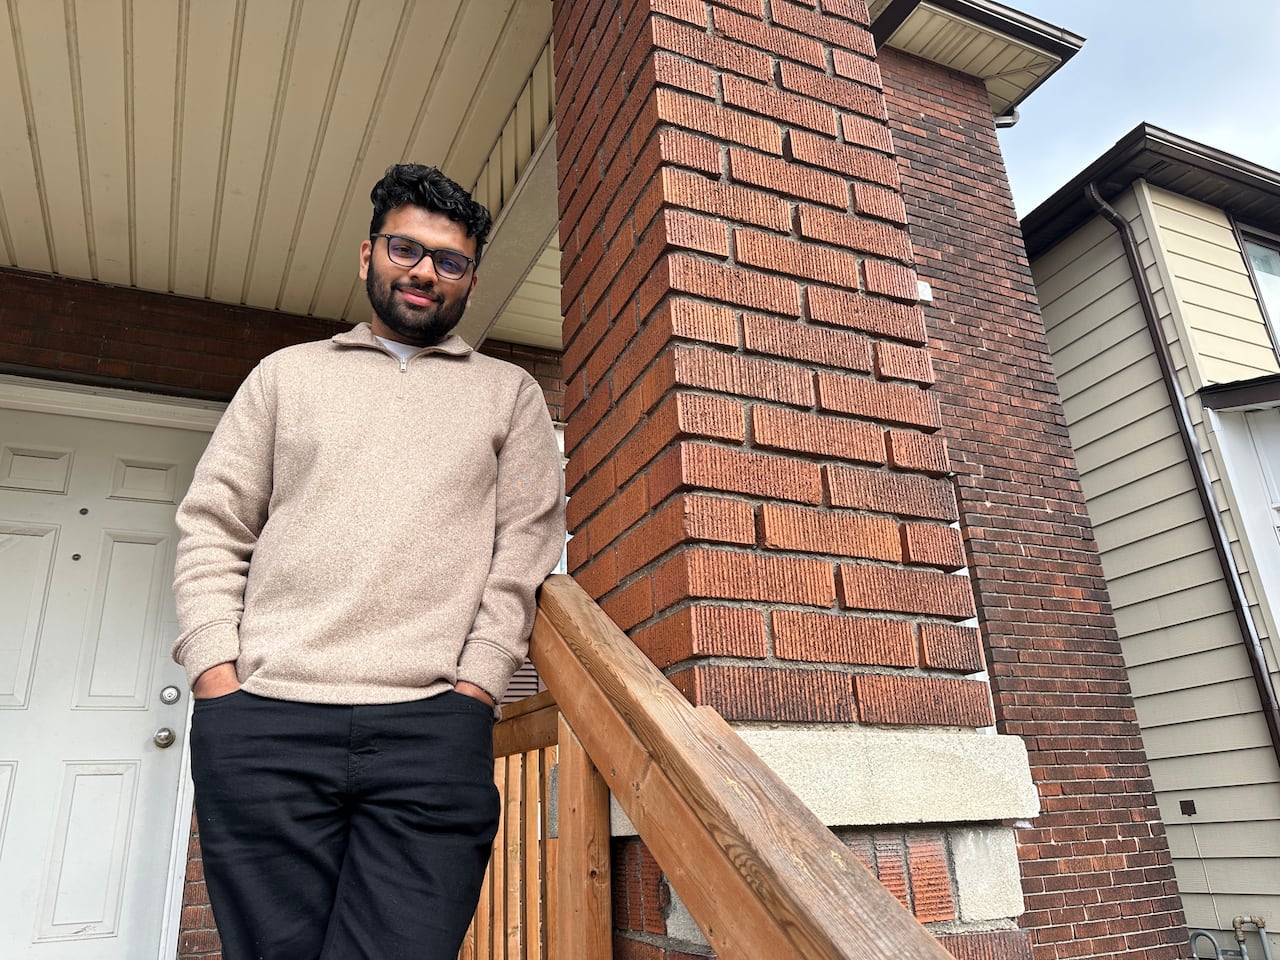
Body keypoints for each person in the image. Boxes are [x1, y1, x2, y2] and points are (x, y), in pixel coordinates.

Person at [172, 163, 566, 960]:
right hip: (265, 720)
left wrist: (477, 684)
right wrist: (217, 670)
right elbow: (213, 525)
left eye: (449, 261)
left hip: (430, 727)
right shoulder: (286, 376)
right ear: (367, 255)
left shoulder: (510, 393)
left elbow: (527, 541)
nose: (424, 271)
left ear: (470, 280)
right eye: (406, 249)